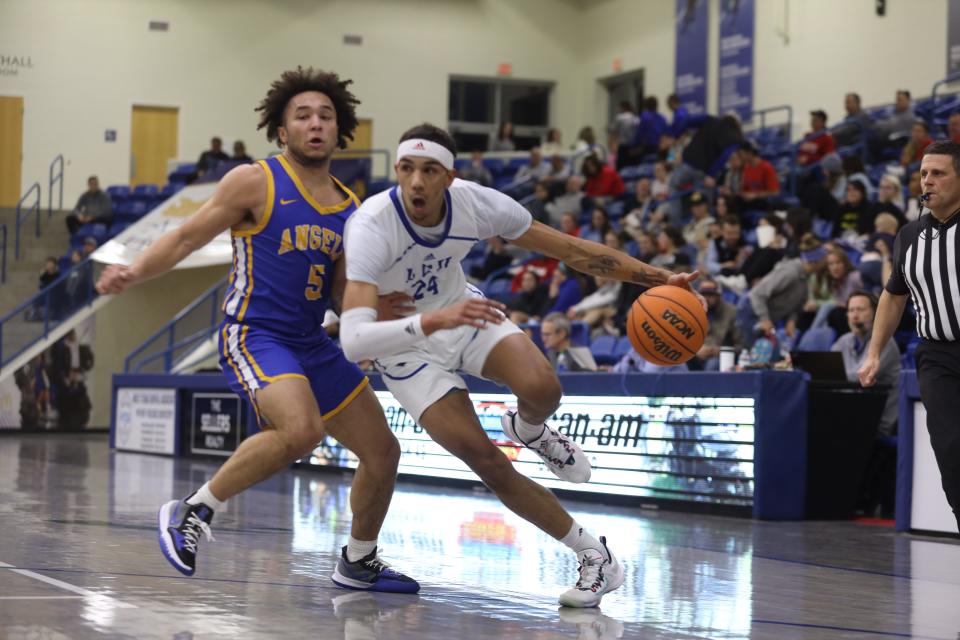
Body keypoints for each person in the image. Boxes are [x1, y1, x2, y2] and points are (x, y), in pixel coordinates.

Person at [339, 123, 702, 607]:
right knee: (485, 458)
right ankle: (595, 556)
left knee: (544, 388)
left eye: (429, 170)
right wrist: (430, 320)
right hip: (404, 349)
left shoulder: (478, 203)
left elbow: (573, 251)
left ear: (450, 176)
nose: (416, 182)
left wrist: (659, 278)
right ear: (397, 171)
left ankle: (530, 428)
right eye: (407, 169)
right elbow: (353, 339)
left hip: (462, 314)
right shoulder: (370, 224)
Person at [95, 67, 419, 592]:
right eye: (303, 116)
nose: (316, 124)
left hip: (312, 341)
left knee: (383, 451)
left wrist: (381, 309)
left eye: (326, 116)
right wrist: (133, 271)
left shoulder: (351, 208)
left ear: (341, 130)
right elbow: (184, 239)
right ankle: (193, 511)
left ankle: (358, 561)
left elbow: (342, 292)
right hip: (255, 333)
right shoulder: (255, 180)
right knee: (301, 431)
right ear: (282, 131)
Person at [860, 140, 960, 532]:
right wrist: (873, 354)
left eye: (939, 173)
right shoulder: (909, 235)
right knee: (950, 450)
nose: (928, 181)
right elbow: (892, 297)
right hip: (936, 354)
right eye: (923, 174)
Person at [835, 291, 900, 517]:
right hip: (853, 415)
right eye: (851, 310)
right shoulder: (843, 341)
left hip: (880, 419)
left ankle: (853, 502)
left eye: (861, 310)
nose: (855, 315)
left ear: (875, 313)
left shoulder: (885, 343)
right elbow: (827, 368)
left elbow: (861, 374)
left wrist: (837, 373)